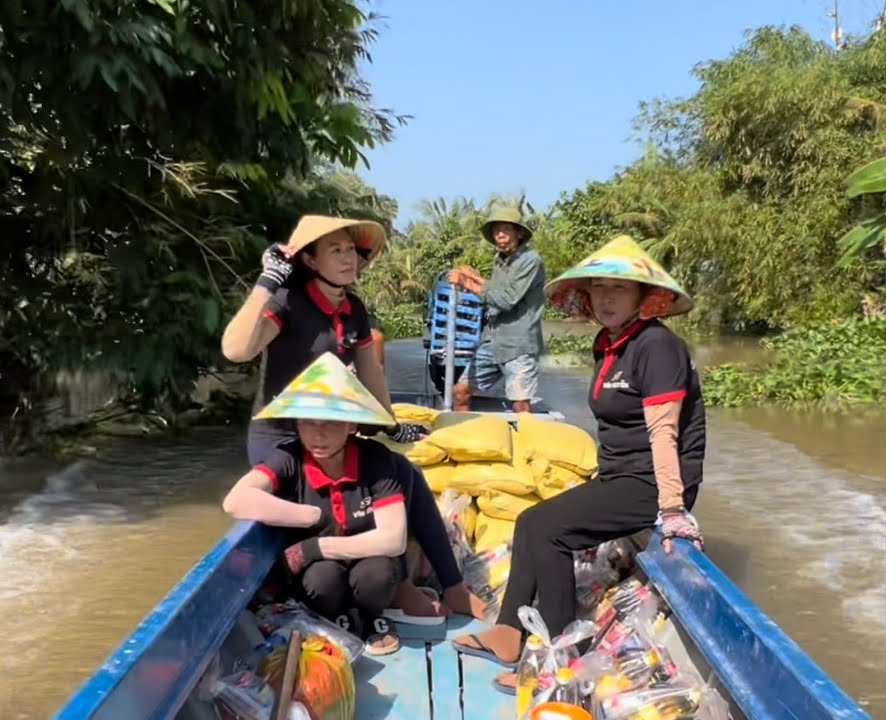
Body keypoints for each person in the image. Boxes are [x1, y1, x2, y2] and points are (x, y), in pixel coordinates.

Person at [452, 235, 706, 674]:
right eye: (599, 289)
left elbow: (664, 434)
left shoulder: (657, 347)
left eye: (619, 288)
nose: (607, 299)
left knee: (551, 531)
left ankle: (558, 656)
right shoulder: (610, 343)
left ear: (643, 297)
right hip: (619, 476)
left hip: (650, 485)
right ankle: (509, 633)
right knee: (530, 520)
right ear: (586, 297)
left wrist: (672, 508)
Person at [221, 215, 485, 619]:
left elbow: (370, 373)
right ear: (309, 259)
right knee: (323, 509)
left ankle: (448, 586)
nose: (349, 259)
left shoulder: (353, 308)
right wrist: (267, 282)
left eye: (352, 250)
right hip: (282, 432)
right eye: (335, 250)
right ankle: (361, 589)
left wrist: (389, 427)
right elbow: (236, 350)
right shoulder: (288, 300)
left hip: (331, 422)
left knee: (404, 473)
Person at [221, 352, 414, 655]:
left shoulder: (376, 459)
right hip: (322, 572)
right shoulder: (288, 457)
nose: (318, 434)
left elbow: (393, 539)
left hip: (368, 559)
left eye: (331, 424)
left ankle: (367, 618)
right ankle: (336, 619)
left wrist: (315, 547)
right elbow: (236, 501)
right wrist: (309, 515)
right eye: (307, 423)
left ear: (351, 425)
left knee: (377, 574)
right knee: (322, 581)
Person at [447, 205, 546, 413]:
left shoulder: (530, 260)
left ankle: (525, 442)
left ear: (519, 233)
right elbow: (496, 288)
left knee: (520, 404)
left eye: (505, 229)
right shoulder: (499, 261)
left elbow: (507, 299)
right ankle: (462, 439)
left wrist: (467, 284)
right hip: (493, 341)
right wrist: (473, 276)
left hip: (519, 345)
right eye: (496, 230)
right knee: (460, 392)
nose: (499, 234)